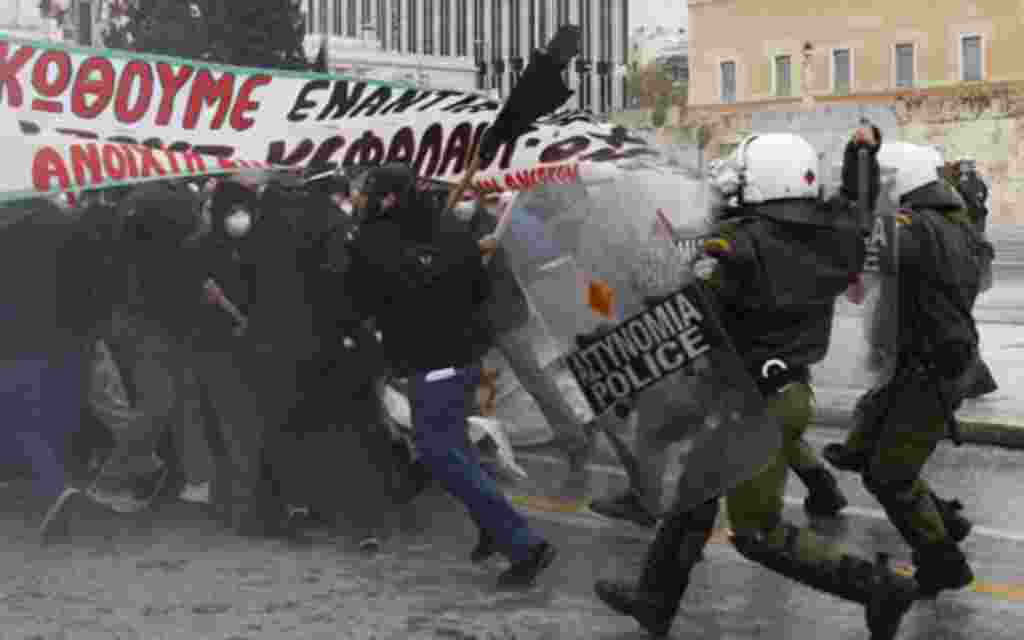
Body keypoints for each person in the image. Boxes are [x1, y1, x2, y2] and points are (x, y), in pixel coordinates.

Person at [594, 129, 921, 640]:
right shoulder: (836, 234)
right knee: (693, 498)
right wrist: (862, 154)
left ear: (762, 184)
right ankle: (654, 602)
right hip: (781, 391)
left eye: (741, 178)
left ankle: (878, 587)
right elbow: (857, 204)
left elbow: (685, 308)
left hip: (755, 403)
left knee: (757, 531)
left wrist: (628, 336)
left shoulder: (739, 245)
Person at [343, 162, 557, 587]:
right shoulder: (449, 230)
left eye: (369, 192)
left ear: (385, 198)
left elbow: (360, 300)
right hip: (463, 357)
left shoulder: (374, 240)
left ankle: (525, 543)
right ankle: (491, 529)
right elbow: (478, 291)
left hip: (431, 362)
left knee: (443, 455)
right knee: (455, 450)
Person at [822, 141, 985, 600]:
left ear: (904, 183)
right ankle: (948, 521)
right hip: (930, 360)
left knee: (890, 475)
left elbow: (860, 254)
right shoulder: (949, 222)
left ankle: (943, 563)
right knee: (872, 448)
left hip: (934, 366)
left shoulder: (913, 229)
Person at [84, 182, 205, 515]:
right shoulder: (176, 201)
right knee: (163, 403)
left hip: (136, 315)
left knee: (167, 400)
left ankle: (181, 475)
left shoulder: (135, 203)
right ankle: (116, 479)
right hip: (162, 316)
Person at [0, 197, 110, 544]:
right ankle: (59, 485)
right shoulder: (73, 229)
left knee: (18, 417)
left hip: (17, 342)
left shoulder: (6, 234)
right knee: (54, 418)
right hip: (70, 341)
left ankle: (54, 487)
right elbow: (95, 286)